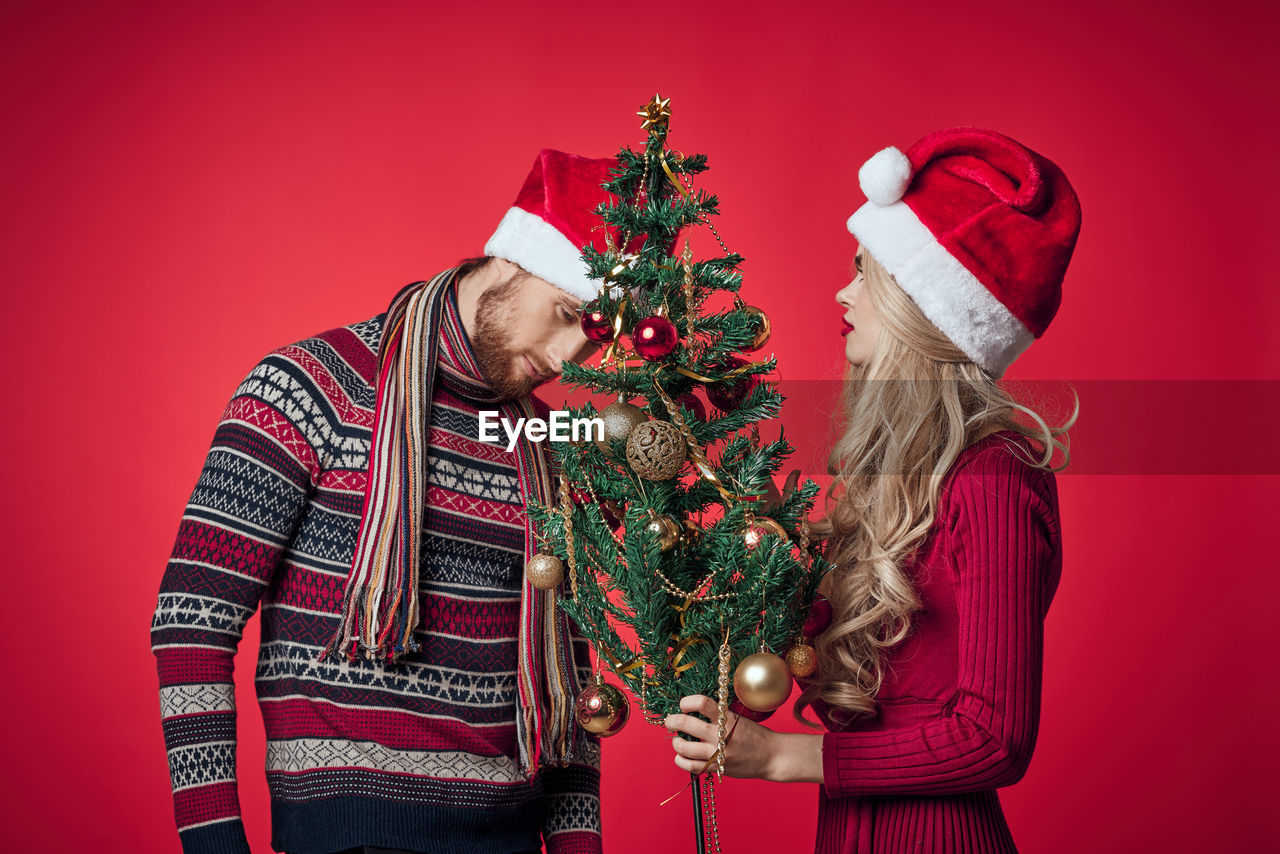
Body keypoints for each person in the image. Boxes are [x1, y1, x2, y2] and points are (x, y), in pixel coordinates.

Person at [151, 149, 637, 854]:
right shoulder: (308, 388)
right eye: (566, 314)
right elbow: (191, 623)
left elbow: (570, 677)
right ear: (510, 260)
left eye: (591, 341)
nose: (568, 358)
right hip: (345, 834)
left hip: (508, 835)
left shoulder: (548, 447)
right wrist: (215, 845)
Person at [665, 127, 1082, 852]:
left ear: (920, 303)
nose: (843, 291)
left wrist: (784, 758)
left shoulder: (994, 475)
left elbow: (994, 738)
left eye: (865, 272)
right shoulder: (897, 479)